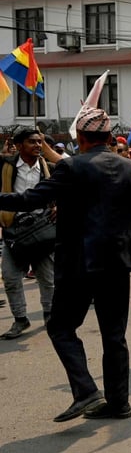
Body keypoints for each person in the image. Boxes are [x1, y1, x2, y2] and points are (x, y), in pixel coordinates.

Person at [0, 107, 131, 421]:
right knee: (114, 335)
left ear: (81, 138)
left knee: (60, 327)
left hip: (79, 262)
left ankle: (86, 392)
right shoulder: (129, 167)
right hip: (117, 261)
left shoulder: (71, 167)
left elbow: (30, 199)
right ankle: (118, 403)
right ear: (108, 137)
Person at [0, 128, 56, 339]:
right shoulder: (6, 166)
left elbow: (60, 189)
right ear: (20, 145)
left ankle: (49, 315)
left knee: (47, 278)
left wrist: (57, 205)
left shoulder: (47, 167)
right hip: (13, 229)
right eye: (32, 142)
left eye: (39, 142)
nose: (37, 145)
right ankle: (20, 319)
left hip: (41, 228)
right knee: (10, 276)